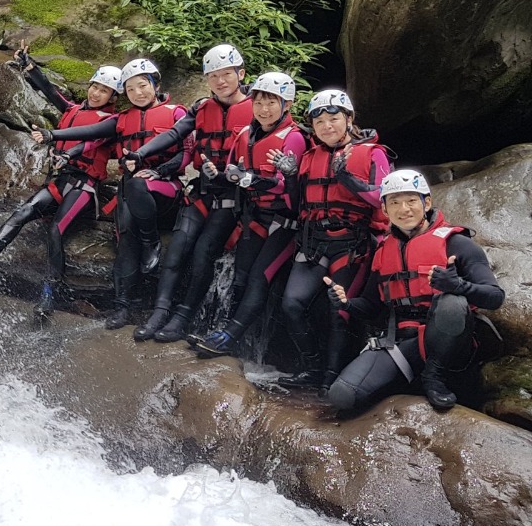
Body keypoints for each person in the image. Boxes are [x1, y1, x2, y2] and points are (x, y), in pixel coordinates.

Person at [0, 58, 123, 318]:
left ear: (113, 96)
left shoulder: (111, 122)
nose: (96, 92)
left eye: (104, 90)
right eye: (94, 86)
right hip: (61, 180)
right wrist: (30, 67)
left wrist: (54, 140)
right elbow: (50, 91)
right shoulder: (72, 109)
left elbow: (89, 139)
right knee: (25, 211)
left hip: (84, 187)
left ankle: (49, 295)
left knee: (56, 230)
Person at [324, 170, 504, 413]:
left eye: (411, 200)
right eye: (395, 202)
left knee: (452, 301)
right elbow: (371, 306)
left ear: (426, 202)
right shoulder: (383, 250)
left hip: (450, 343)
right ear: (385, 210)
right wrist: (346, 304)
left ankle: (434, 376)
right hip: (402, 342)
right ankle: (408, 379)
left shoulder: (457, 243)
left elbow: (495, 297)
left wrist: (459, 286)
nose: (404, 209)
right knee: (342, 396)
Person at [37, 59, 190, 329]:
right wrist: (52, 134)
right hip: (132, 191)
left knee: (137, 185)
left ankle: (151, 241)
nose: (138, 93)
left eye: (143, 86)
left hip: (166, 187)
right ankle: (122, 307)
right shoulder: (121, 120)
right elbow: (90, 131)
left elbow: (187, 151)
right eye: (130, 89)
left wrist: (160, 171)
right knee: (125, 239)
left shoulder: (176, 113)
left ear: (155, 85)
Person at [127, 45, 255, 343]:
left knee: (202, 255)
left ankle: (182, 318)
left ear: (241, 74)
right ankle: (159, 313)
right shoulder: (201, 108)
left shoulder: (258, 108)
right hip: (202, 191)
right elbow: (174, 134)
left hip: (233, 198)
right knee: (177, 249)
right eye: (213, 76)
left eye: (226, 74)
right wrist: (140, 154)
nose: (220, 81)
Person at [277, 90, 392, 390]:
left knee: (338, 310)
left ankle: (331, 377)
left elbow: (386, 200)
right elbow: (295, 204)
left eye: (334, 118)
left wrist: (349, 180)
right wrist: (289, 177)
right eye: (320, 121)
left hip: (352, 244)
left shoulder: (372, 153)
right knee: (291, 303)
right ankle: (312, 366)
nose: (327, 126)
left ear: (349, 119)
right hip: (314, 242)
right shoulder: (309, 157)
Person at [188, 73, 306, 358]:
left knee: (257, 278)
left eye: (271, 103)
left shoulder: (295, 138)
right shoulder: (245, 135)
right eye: (259, 102)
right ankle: (225, 332)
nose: (264, 109)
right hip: (254, 217)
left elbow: (284, 186)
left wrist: (249, 178)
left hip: (285, 223)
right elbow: (231, 174)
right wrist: (215, 176)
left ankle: (229, 337)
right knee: (240, 276)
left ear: (286, 104)